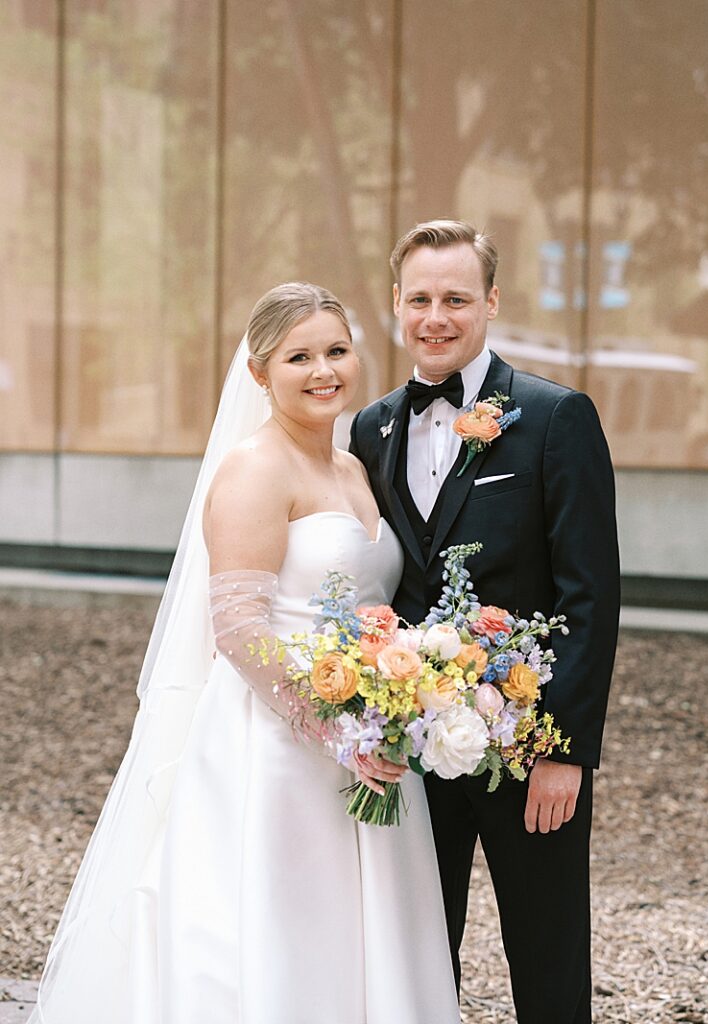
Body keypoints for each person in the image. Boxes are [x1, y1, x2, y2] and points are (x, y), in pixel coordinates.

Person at [28, 283, 460, 1024]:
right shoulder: (254, 470)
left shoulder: (355, 468)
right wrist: (334, 728)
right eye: (299, 357)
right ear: (260, 374)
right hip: (279, 749)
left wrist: (392, 702)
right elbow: (238, 628)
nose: (324, 370)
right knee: (283, 932)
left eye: (336, 350)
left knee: (371, 934)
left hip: (369, 738)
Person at [350, 220, 621, 1024]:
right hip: (414, 753)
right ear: (397, 303)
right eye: (421, 298)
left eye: (457, 299)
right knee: (418, 961)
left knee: (547, 957)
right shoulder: (372, 429)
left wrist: (564, 751)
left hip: (527, 750)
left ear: (491, 302)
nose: (438, 317)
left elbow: (590, 595)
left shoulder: (554, 417)